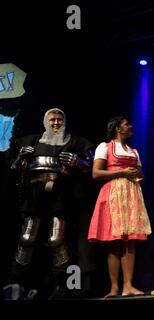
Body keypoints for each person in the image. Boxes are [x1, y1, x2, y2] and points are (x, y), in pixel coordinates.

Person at [4, 108, 94, 299]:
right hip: (34, 196)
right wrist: (21, 157)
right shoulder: (32, 142)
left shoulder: (75, 142)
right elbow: (13, 169)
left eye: (59, 119)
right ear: (46, 121)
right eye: (52, 119)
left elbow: (91, 168)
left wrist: (79, 162)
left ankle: (65, 287)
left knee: (57, 240)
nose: (56, 123)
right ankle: (15, 284)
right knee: (27, 238)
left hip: (61, 196)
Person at [87, 116, 151, 297]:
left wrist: (137, 175)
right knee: (114, 242)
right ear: (117, 128)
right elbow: (96, 173)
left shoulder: (133, 151)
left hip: (131, 194)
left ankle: (128, 286)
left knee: (129, 241)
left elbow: (141, 174)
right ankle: (114, 287)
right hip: (112, 193)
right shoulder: (105, 147)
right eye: (126, 124)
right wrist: (122, 172)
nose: (130, 126)